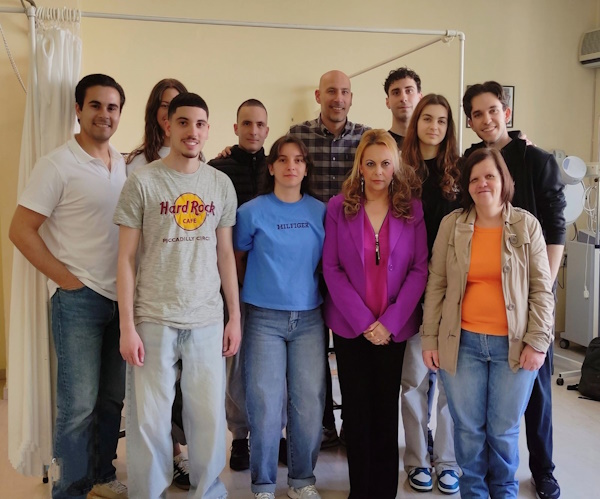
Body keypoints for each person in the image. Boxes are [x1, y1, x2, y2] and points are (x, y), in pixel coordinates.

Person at [114, 92, 241, 499]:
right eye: (183, 122)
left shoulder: (219, 184)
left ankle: (208, 491)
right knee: (149, 421)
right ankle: (148, 493)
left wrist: (234, 317)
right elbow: (125, 258)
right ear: (168, 125)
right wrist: (127, 326)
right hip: (153, 317)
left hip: (206, 317)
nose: (192, 131)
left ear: (208, 130)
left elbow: (225, 254)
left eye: (200, 124)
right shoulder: (142, 182)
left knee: (207, 417)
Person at [9, 74, 128, 499]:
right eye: (95, 105)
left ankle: (101, 476)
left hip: (121, 300)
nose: (104, 114)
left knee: (112, 400)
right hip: (78, 301)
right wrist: (66, 280)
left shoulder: (122, 164)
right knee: (78, 406)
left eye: (112, 107)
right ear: (78, 109)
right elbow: (20, 230)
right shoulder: (57, 164)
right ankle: (70, 491)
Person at [422, 147, 555, 498]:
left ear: (503, 181)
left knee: (503, 432)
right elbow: (436, 284)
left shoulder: (526, 225)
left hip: (514, 346)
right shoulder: (453, 225)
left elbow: (542, 289)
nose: (483, 183)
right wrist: (430, 338)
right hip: (462, 343)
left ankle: (504, 492)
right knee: (468, 431)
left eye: (490, 176)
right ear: (467, 185)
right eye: (475, 178)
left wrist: (538, 341)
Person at [463, 81, 566, 499]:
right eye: (477, 114)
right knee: (486, 409)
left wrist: (542, 292)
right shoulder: (471, 162)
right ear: (470, 122)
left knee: (536, 391)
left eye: (493, 110)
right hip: (484, 308)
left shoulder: (536, 160)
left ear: (505, 112)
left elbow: (556, 227)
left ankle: (543, 470)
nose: (486, 119)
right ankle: (485, 477)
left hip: (531, 300)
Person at [323, 129, 428, 499]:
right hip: (351, 327)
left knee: (385, 410)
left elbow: (419, 269)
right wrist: (366, 322)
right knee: (356, 411)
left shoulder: (412, 209)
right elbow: (332, 268)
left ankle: (384, 491)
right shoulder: (339, 207)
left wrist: (390, 323)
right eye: (370, 164)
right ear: (360, 167)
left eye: (385, 163)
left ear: (395, 166)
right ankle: (360, 490)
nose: (378, 171)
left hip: (394, 328)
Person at [234, 135, 326, 499]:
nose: (291, 166)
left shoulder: (321, 212)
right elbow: (237, 259)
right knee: (265, 405)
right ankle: (264, 485)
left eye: (298, 160)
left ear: (306, 168)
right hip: (263, 319)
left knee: (308, 404)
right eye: (283, 159)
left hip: (310, 319)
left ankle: (302, 481)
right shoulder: (250, 212)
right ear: (271, 167)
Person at [289, 69, 370, 447]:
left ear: (351, 97)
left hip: (354, 261)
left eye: (345, 92)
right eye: (332, 91)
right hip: (307, 257)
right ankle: (322, 425)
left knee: (352, 345)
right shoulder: (298, 136)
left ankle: (354, 421)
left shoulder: (366, 139)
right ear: (318, 95)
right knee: (313, 348)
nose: (338, 98)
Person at [125, 77, 191, 490]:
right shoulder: (136, 165)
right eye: (166, 106)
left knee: (181, 385)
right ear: (156, 113)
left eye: (179, 106)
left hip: (186, 293)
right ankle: (157, 464)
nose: (172, 114)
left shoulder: (198, 161)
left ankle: (178, 454)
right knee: (153, 389)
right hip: (148, 290)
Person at [400, 93, 462, 494]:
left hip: (453, 288)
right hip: (411, 286)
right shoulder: (400, 170)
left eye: (442, 120)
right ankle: (416, 459)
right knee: (414, 380)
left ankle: (448, 460)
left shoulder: (460, 169)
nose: (434, 126)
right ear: (416, 122)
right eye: (427, 118)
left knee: (451, 383)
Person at [209, 98, 270, 471]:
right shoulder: (217, 169)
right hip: (229, 281)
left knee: (269, 366)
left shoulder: (277, 166)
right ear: (235, 128)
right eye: (246, 123)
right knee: (236, 363)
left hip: (271, 282)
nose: (253, 130)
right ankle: (240, 436)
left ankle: (274, 433)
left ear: (267, 129)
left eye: (260, 124)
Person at [384, 66, 423, 148]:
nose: (403, 98)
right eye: (396, 93)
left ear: (420, 98)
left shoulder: (431, 144)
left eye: (409, 91)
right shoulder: (381, 144)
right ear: (387, 102)